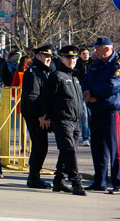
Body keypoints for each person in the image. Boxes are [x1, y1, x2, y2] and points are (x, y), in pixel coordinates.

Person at [40, 44, 86, 195]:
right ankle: (76, 181)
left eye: (73, 57)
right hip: (62, 119)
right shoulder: (57, 76)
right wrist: (47, 115)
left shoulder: (74, 76)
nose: (71, 60)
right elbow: (46, 98)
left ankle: (59, 180)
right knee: (69, 150)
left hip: (75, 120)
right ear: (61, 58)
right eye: (68, 57)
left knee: (68, 151)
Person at [82, 36, 120, 193]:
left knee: (115, 149)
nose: (95, 51)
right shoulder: (96, 64)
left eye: (98, 49)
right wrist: (86, 92)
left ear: (107, 49)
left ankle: (118, 183)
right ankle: (100, 181)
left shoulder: (116, 65)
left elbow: (112, 86)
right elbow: (86, 80)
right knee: (98, 149)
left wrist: (93, 94)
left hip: (111, 111)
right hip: (96, 109)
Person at [22, 44, 55, 189]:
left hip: (39, 114)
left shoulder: (42, 71)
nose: (49, 59)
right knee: (40, 146)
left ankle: (34, 176)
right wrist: (40, 115)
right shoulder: (34, 72)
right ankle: (34, 177)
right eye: (46, 56)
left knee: (40, 146)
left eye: (50, 57)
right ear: (38, 56)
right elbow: (32, 97)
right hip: (35, 115)